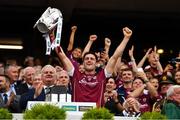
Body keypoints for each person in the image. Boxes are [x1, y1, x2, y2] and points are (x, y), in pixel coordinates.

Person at [56, 27, 133, 107]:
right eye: (86, 59)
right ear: (83, 62)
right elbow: (62, 55)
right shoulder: (75, 74)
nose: (89, 60)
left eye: (92, 59)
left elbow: (115, 56)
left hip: (96, 115)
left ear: (96, 63)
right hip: (77, 115)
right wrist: (52, 37)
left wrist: (126, 38)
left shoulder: (103, 75)